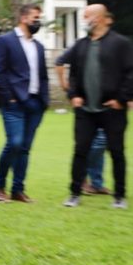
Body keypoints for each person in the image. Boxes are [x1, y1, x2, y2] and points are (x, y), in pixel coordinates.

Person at [61, 4, 133, 209]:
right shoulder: (81, 45)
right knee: (80, 150)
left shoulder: (120, 43)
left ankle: (120, 196)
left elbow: (131, 74)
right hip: (86, 110)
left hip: (112, 109)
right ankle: (74, 193)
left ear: (101, 18)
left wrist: (121, 99)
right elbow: (74, 74)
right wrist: (73, 95)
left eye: (87, 16)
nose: (84, 20)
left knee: (116, 152)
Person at [0, 4, 48, 203]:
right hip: (14, 103)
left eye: (39, 18)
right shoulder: (4, 41)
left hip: (35, 103)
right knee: (15, 143)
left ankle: (18, 189)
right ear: (23, 18)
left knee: (25, 148)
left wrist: (44, 100)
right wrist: (7, 96)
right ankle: (0, 185)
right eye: (35, 18)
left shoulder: (38, 46)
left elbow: (43, 75)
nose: (38, 22)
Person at [56, 44, 110, 195]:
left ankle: (97, 184)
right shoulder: (81, 46)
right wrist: (64, 84)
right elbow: (59, 61)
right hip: (84, 101)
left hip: (104, 101)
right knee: (96, 141)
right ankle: (83, 178)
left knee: (101, 141)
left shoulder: (109, 44)